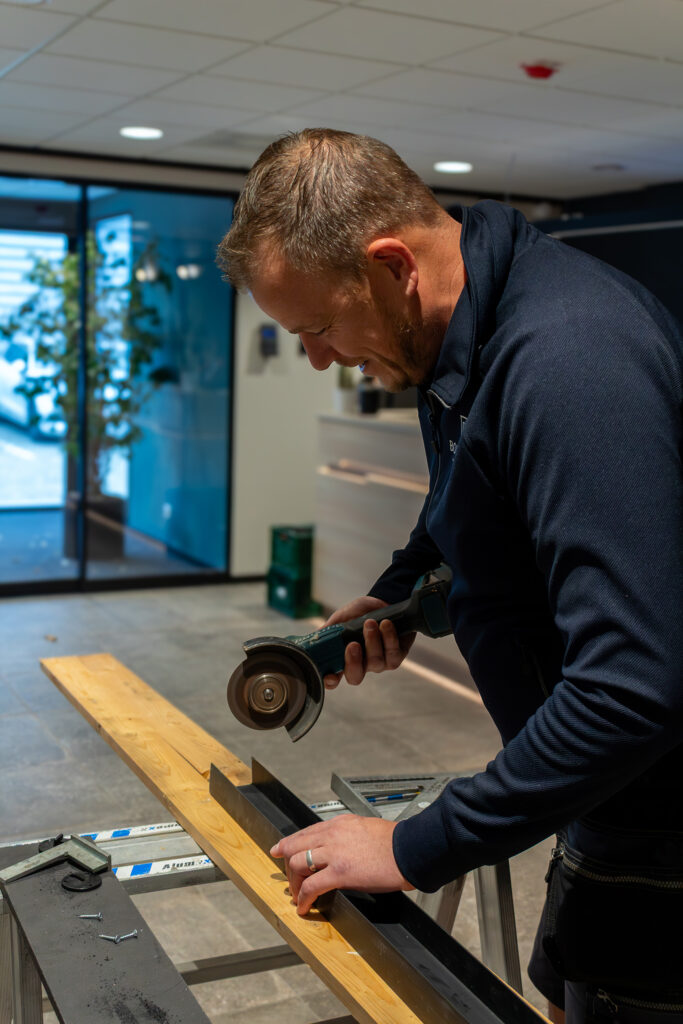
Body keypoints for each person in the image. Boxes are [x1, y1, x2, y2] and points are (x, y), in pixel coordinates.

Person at [217, 129, 683, 1023]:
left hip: (661, 828)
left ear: (392, 266)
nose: (315, 357)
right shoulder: (454, 343)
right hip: (600, 798)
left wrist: (415, 845)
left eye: (317, 327)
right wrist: (406, 581)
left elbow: (633, 686)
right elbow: (472, 493)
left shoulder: (568, 362)